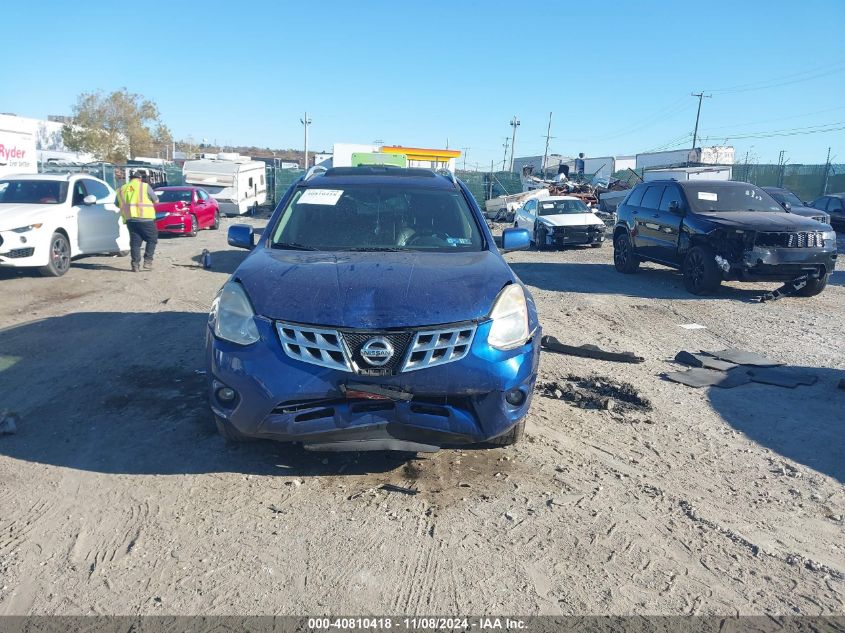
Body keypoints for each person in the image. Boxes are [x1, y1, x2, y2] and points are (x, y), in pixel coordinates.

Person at [116, 171, 159, 272]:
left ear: (130, 179)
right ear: (140, 179)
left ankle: (135, 265)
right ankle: (148, 262)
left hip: (130, 220)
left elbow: (116, 204)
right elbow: (156, 200)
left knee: (135, 243)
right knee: (152, 239)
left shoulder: (121, 189)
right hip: (145, 218)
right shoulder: (144, 186)